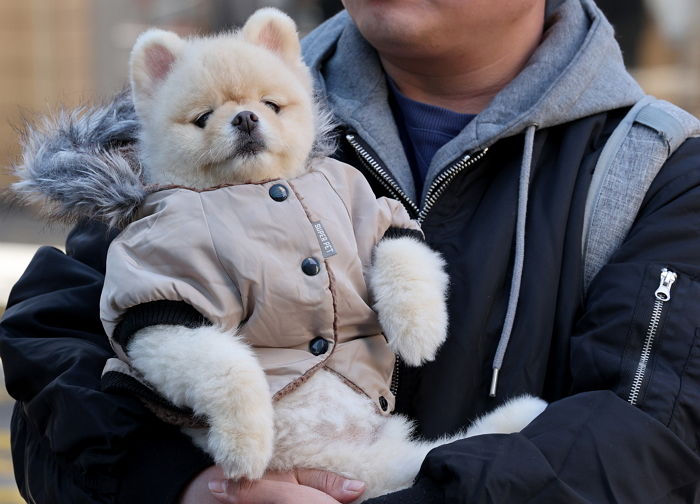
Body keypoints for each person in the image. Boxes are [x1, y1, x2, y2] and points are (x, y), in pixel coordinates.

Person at [2, 0, 700, 502]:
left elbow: (637, 445)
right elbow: (54, 379)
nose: (246, 115)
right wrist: (185, 484)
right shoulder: (175, 136)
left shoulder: (658, 173)